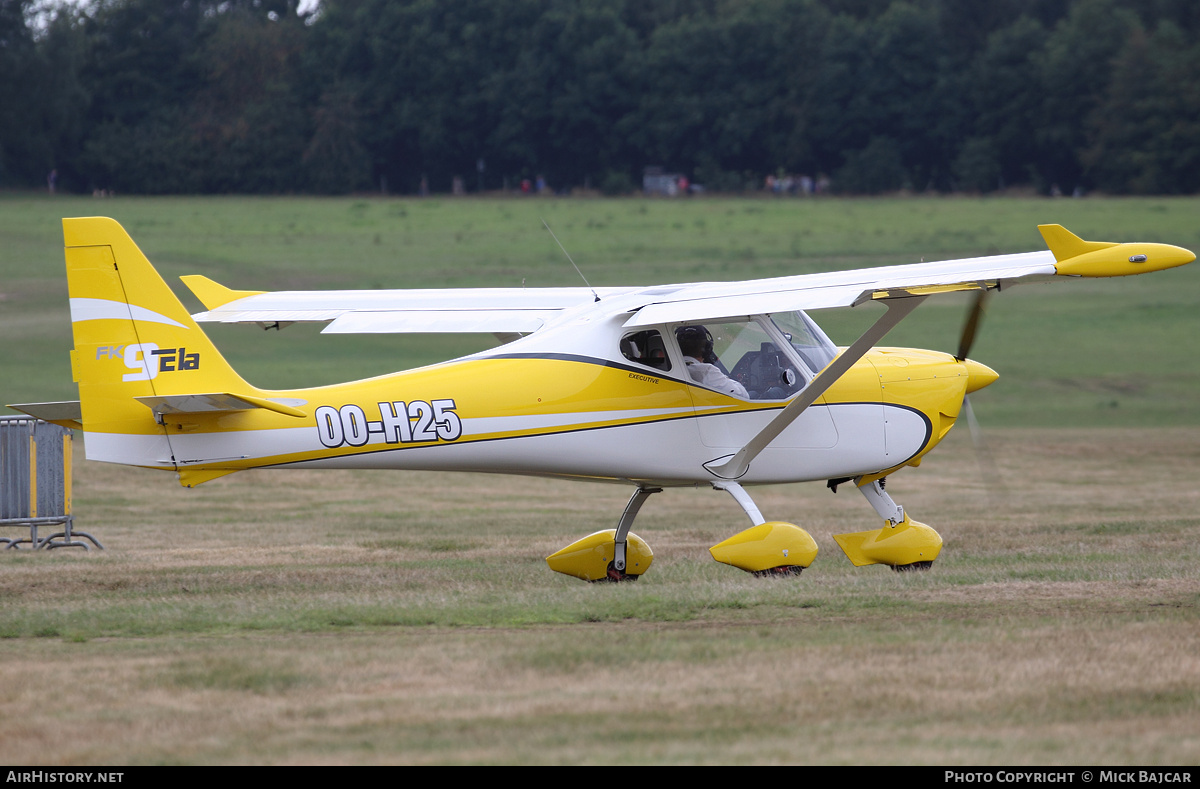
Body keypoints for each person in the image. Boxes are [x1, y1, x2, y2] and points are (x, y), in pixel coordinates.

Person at [675, 325, 748, 398]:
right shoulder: (706, 371)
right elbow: (742, 396)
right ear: (707, 349)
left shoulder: (670, 368)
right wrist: (728, 379)